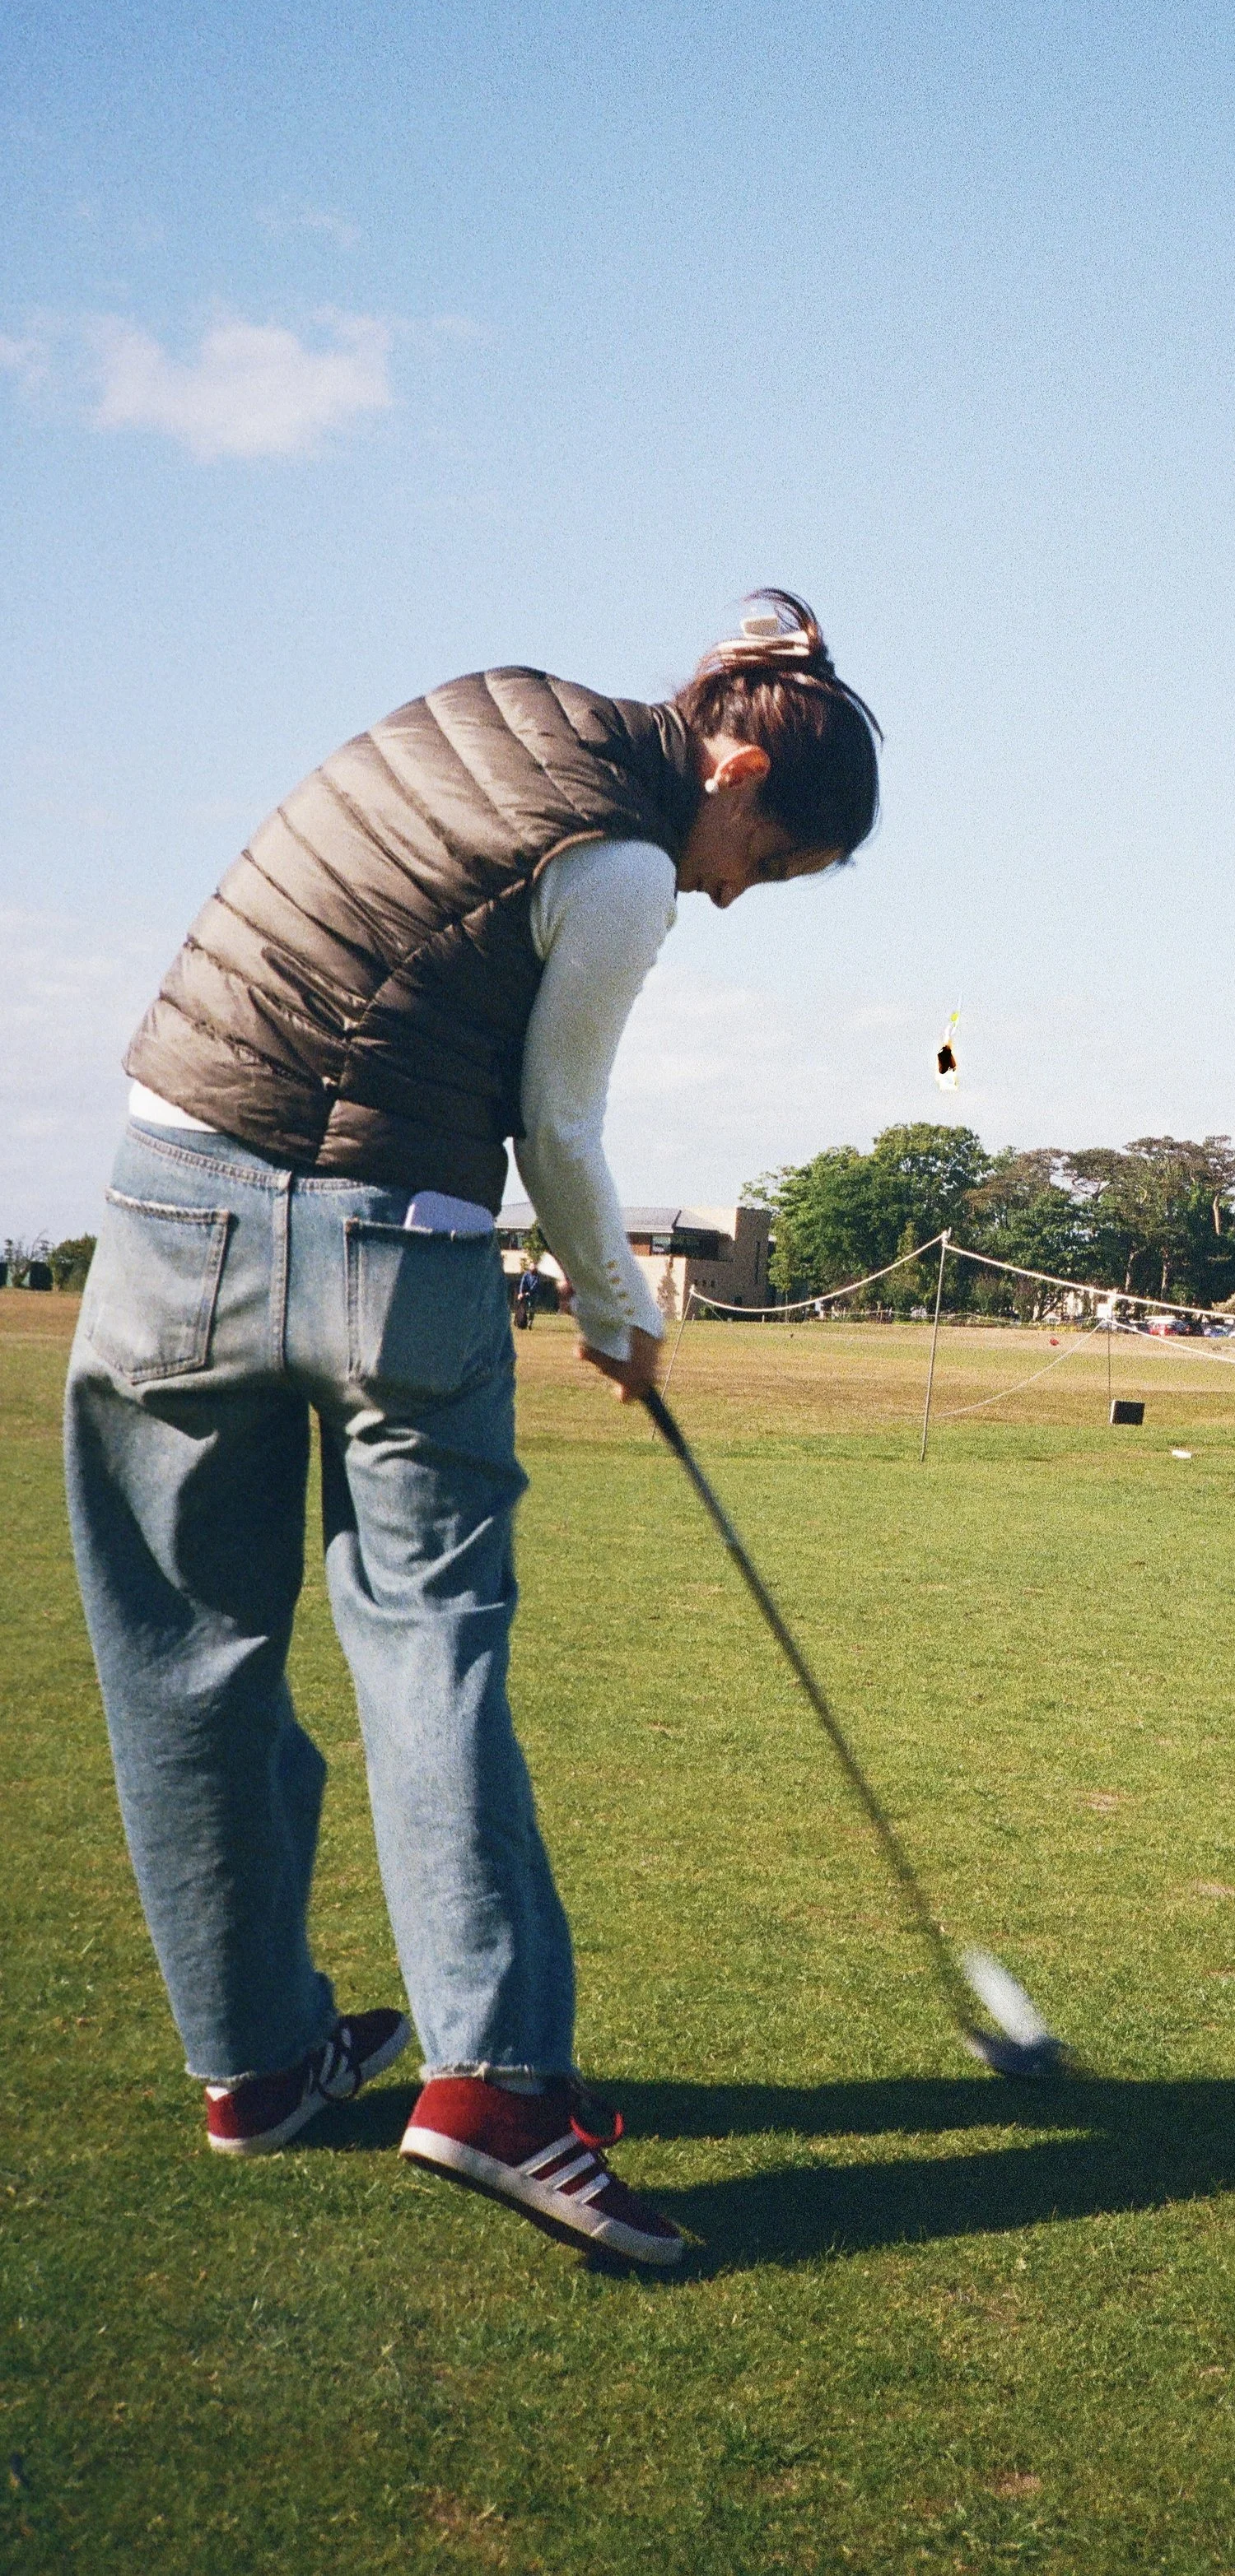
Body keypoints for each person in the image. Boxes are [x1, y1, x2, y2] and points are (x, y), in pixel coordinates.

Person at [64, 594, 879, 2269]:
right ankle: (495, 2090)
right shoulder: (630, 861)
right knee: (431, 1647)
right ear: (728, 767)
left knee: (185, 1656)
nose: (730, 890)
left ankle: (261, 2063)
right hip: (391, 1252)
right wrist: (614, 1311)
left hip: (164, 1211)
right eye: (763, 856)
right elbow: (557, 1125)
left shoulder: (489, 698)